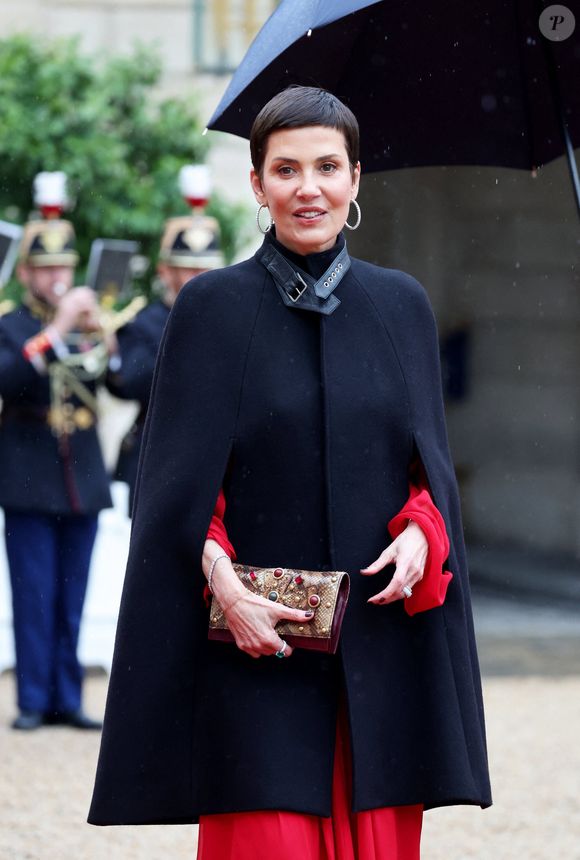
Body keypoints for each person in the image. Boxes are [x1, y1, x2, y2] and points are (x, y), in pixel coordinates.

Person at [89, 87, 491, 858]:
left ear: (356, 179)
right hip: (256, 651)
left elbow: (425, 470)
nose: (309, 188)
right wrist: (228, 590)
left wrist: (421, 534)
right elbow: (176, 490)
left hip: (380, 652)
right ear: (258, 184)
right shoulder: (210, 309)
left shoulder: (400, 306)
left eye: (327, 167)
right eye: (288, 169)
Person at [0, 215, 112, 730]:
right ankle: (32, 699)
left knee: (74, 596)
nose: (56, 276)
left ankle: (68, 697)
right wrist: (59, 328)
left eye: (62, 265)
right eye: (44, 268)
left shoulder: (91, 322)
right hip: (28, 475)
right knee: (34, 594)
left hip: (81, 478)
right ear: (25, 273)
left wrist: (104, 339)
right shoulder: (12, 325)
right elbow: (13, 379)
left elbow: (120, 379)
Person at [108, 213, 224, 512]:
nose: (198, 276)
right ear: (164, 271)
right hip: (159, 455)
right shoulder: (144, 322)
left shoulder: (230, 319)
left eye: (205, 268)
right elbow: (133, 382)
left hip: (216, 457)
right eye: (188, 269)